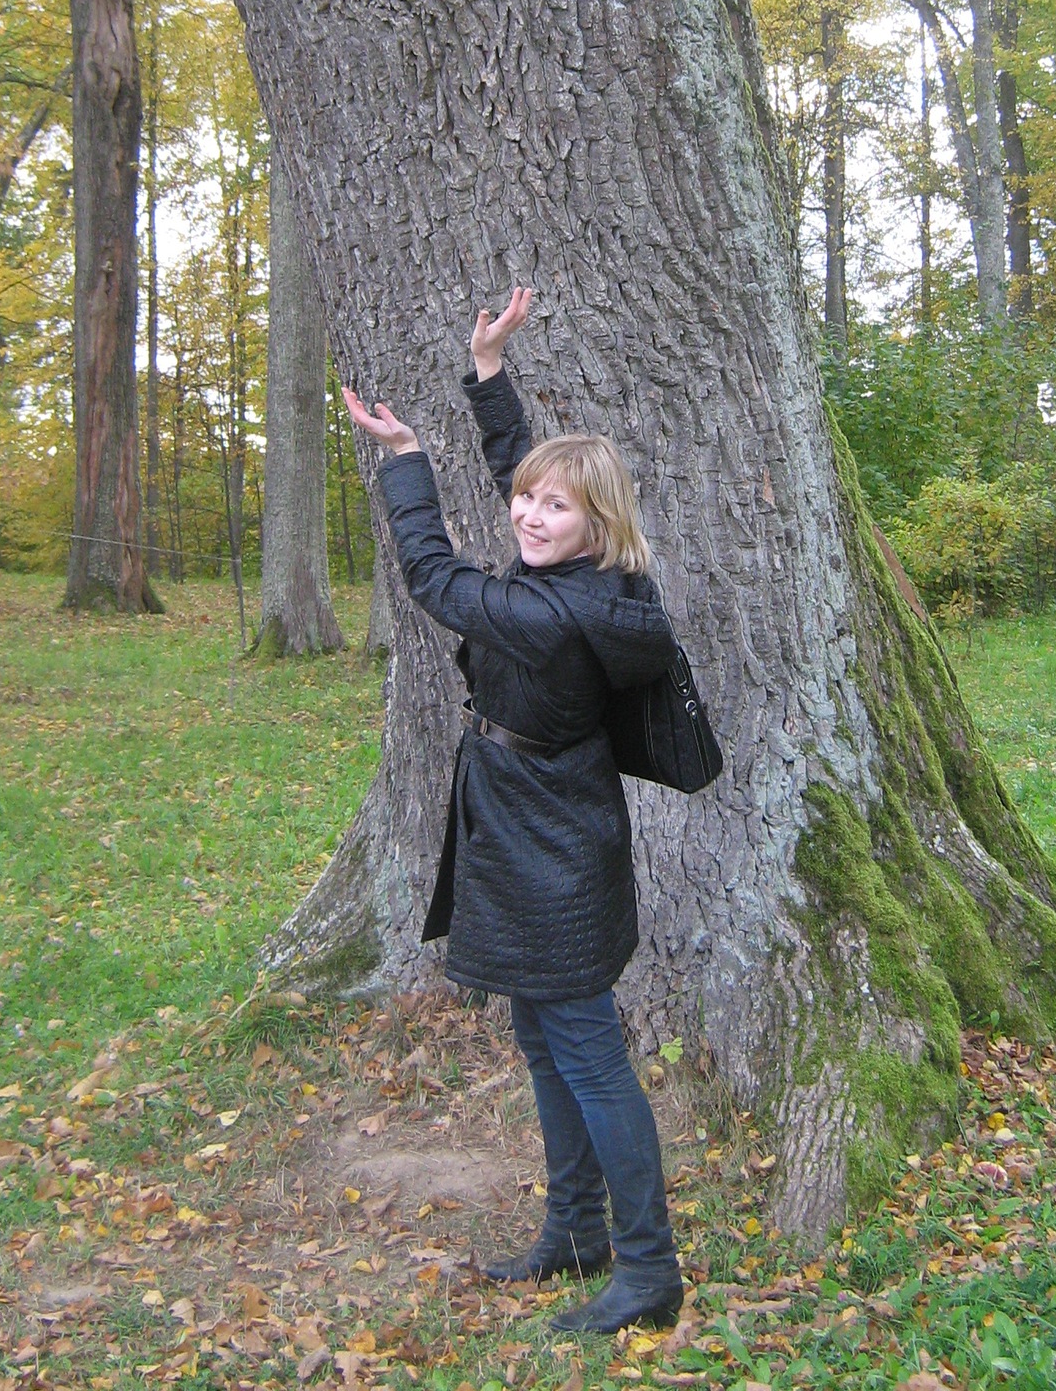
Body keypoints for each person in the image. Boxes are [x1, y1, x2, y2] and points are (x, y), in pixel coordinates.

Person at [342, 289, 684, 1335]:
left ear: (597, 524)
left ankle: (647, 1269)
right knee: (544, 1036)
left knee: (586, 1052)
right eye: (528, 500)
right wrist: (489, 375)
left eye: (554, 507)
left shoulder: (549, 615)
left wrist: (405, 459)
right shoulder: (592, 573)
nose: (530, 515)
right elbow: (523, 479)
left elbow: (432, 574)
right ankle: (574, 1232)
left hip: (550, 844)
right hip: (544, 818)